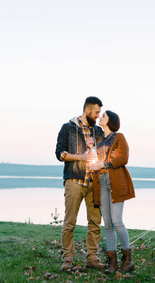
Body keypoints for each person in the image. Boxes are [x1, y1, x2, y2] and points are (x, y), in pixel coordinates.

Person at [55, 96, 105, 271]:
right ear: (88, 111)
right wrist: (81, 157)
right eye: (97, 112)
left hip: (94, 183)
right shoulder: (68, 128)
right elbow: (60, 153)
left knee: (95, 223)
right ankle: (67, 259)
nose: (98, 116)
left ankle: (92, 258)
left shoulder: (98, 131)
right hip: (74, 181)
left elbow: (104, 153)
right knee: (70, 223)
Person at [89, 110, 135, 274]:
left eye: (103, 116)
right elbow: (99, 159)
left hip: (116, 183)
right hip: (101, 182)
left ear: (110, 120)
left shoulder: (119, 137)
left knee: (117, 221)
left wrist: (104, 164)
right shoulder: (100, 141)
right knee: (107, 224)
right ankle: (113, 263)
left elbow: (123, 159)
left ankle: (128, 259)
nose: (100, 117)